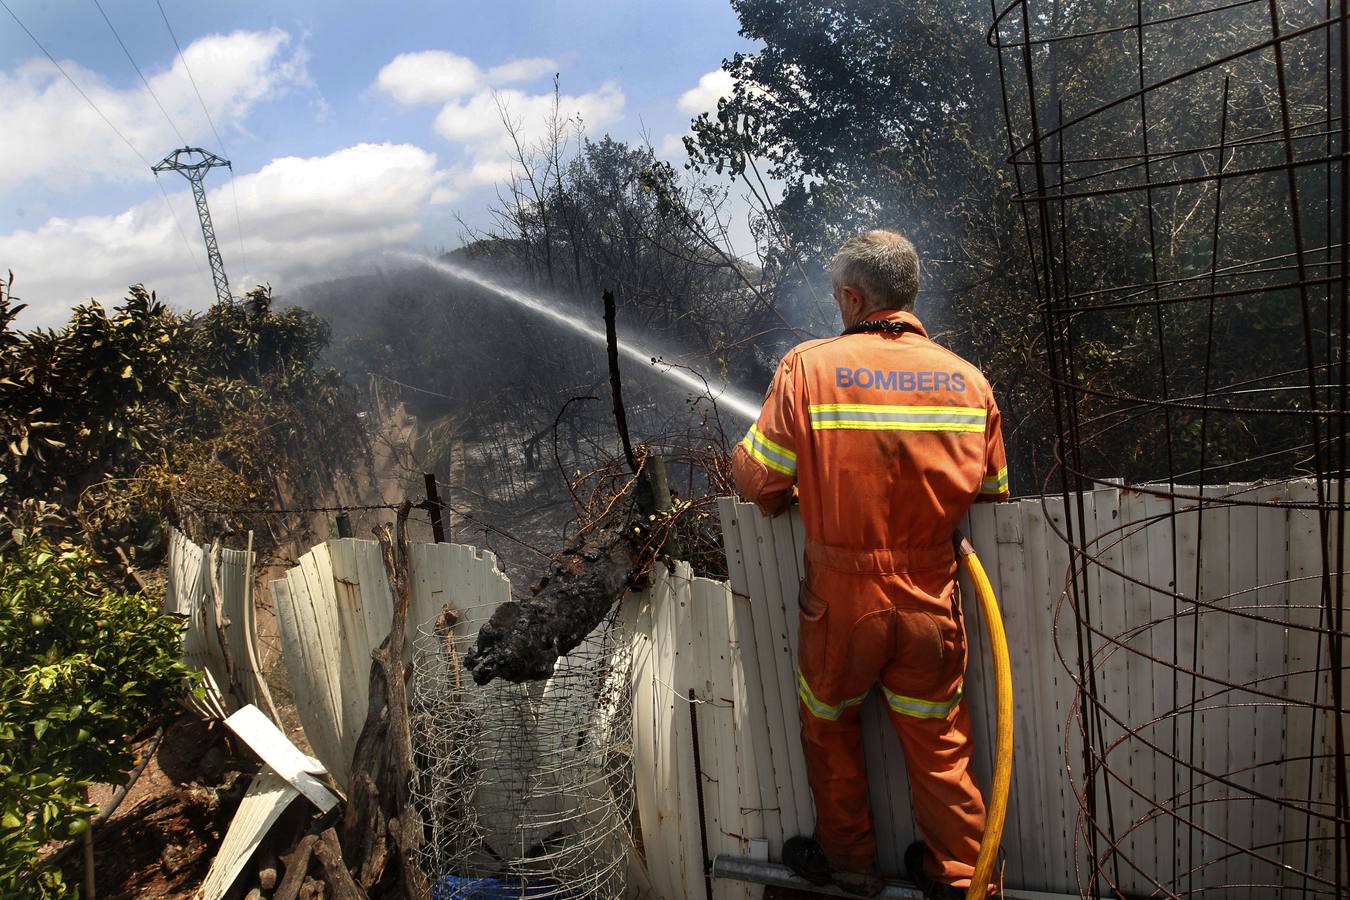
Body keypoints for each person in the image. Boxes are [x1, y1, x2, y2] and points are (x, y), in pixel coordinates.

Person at [732, 230, 1009, 899]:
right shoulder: (969, 381)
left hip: (840, 601)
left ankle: (850, 867)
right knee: (941, 744)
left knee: (829, 731)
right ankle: (962, 881)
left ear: (854, 297)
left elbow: (758, 481)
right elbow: (994, 492)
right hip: (930, 599)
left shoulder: (808, 367)